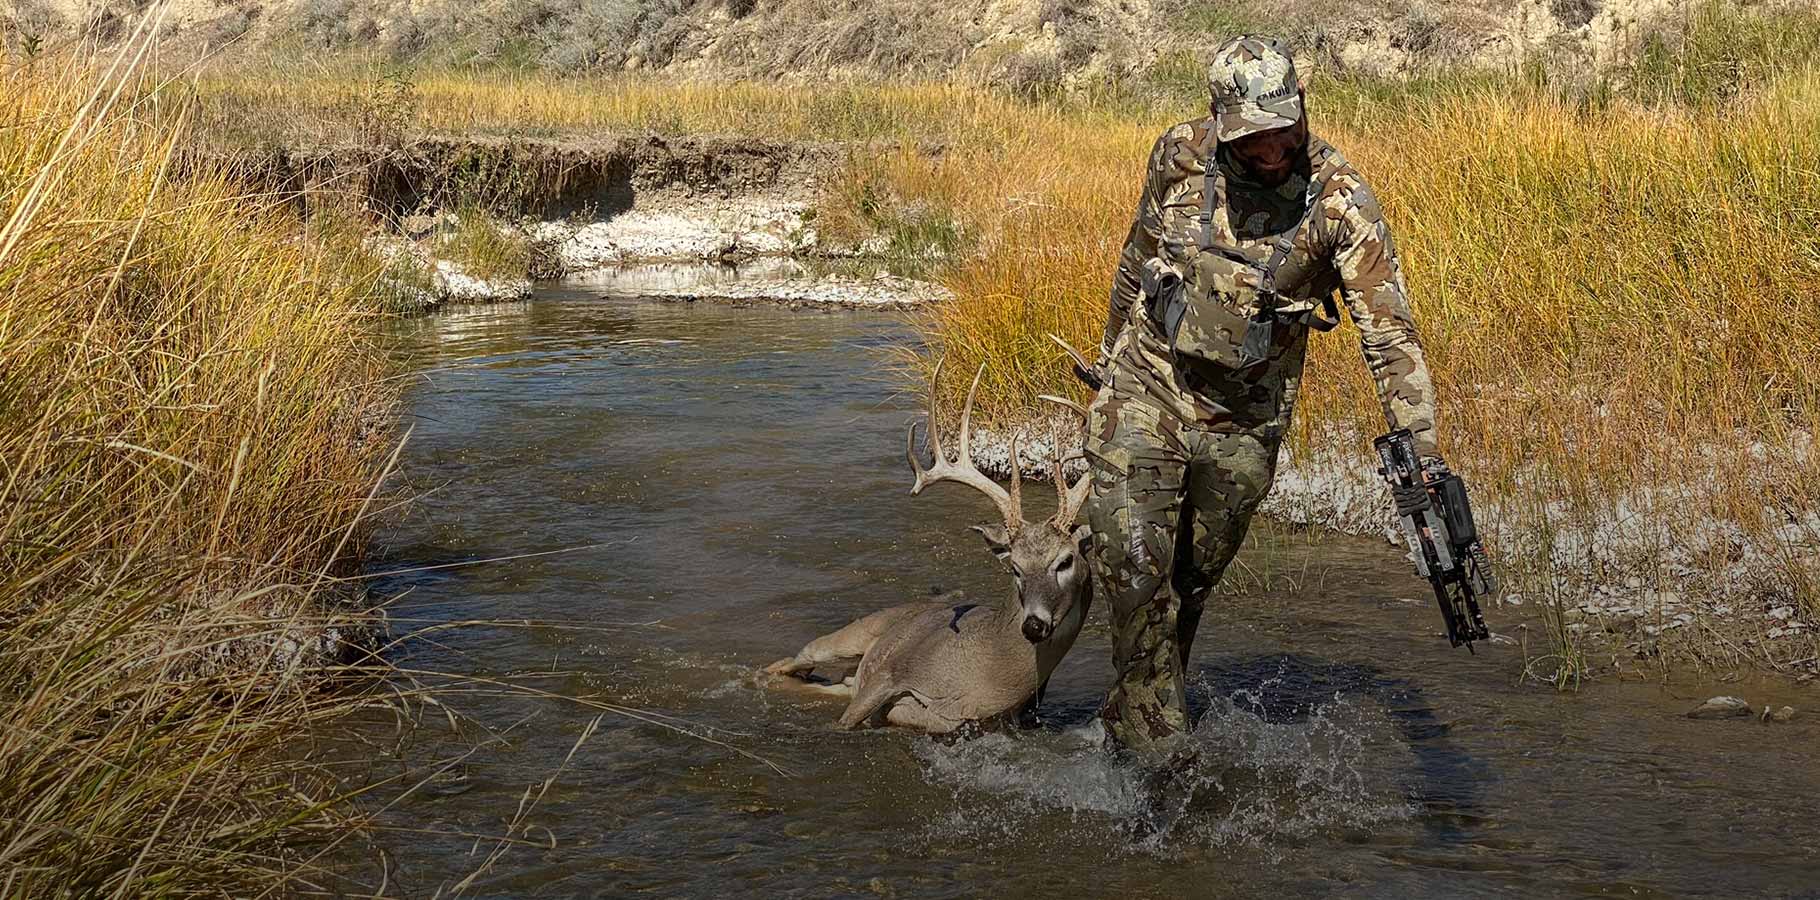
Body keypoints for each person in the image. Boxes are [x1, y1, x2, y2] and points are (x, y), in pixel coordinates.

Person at [1082, 35, 1441, 756]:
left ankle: (1137, 715)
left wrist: (1422, 453)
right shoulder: (1177, 155)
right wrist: (1107, 351)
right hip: (1148, 386)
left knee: (1186, 586)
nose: (1275, 146)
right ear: (1219, 120)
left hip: (1246, 422)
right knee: (1130, 566)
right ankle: (1159, 762)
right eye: (1255, 136)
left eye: (1286, 126)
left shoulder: (1340, 201)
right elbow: (1137, 251)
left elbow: (1390, 337)